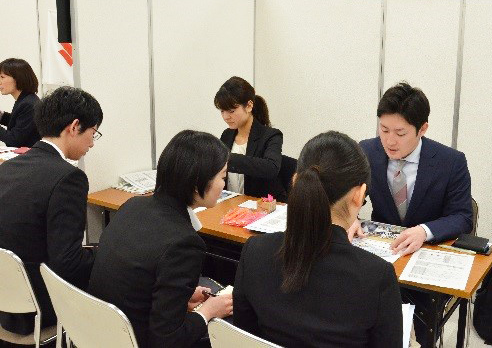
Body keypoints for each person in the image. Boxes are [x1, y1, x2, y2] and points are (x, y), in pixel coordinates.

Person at [233, 131, 402, 348]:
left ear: (295, 182)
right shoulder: (376, 276)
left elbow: (243, 337)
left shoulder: (254, 252)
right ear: (359, 195)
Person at [352, 82, 473, 346]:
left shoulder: (451, 162)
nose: (389, 140)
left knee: (417, 324)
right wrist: (350, 218)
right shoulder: (368, 150)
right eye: (383, 129)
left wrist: (424, 231)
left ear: (422, 129)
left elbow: (463, 216)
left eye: (400, 132)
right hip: (382, 256)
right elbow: (351, 194)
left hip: (422, 261)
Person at [88, 130, 233, 348]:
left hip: (98, 331)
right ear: (196, 183)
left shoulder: (133, 206)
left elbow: (138, 277)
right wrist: (207, 311)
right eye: (222, 177)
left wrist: (180, 295)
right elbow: (167, 339)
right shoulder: (184, 244)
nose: (224, 184)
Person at [0, 86, 103, 335]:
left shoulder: (8, 167)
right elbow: (66, 263)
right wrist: (106, 255)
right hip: (39, 308)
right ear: (74, 126)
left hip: (7, 302)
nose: (92, 142)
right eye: (93, 133)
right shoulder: (69, 178)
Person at [214, 76, 286, 201]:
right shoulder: (227, 135)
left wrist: (227, 159)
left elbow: (271, 168)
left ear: (248, 106)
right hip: (230, 203)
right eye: (222, 111)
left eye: (231, 111)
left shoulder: (271, 135)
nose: (226, 117)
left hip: (259, 205)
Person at [0, 58, 41, 147]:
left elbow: (14, 140)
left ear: (18, 78)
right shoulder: (25, 100)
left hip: (30, 158)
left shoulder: (29, 104)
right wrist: (1, 116)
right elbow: (18, 122)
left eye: (2, 77)